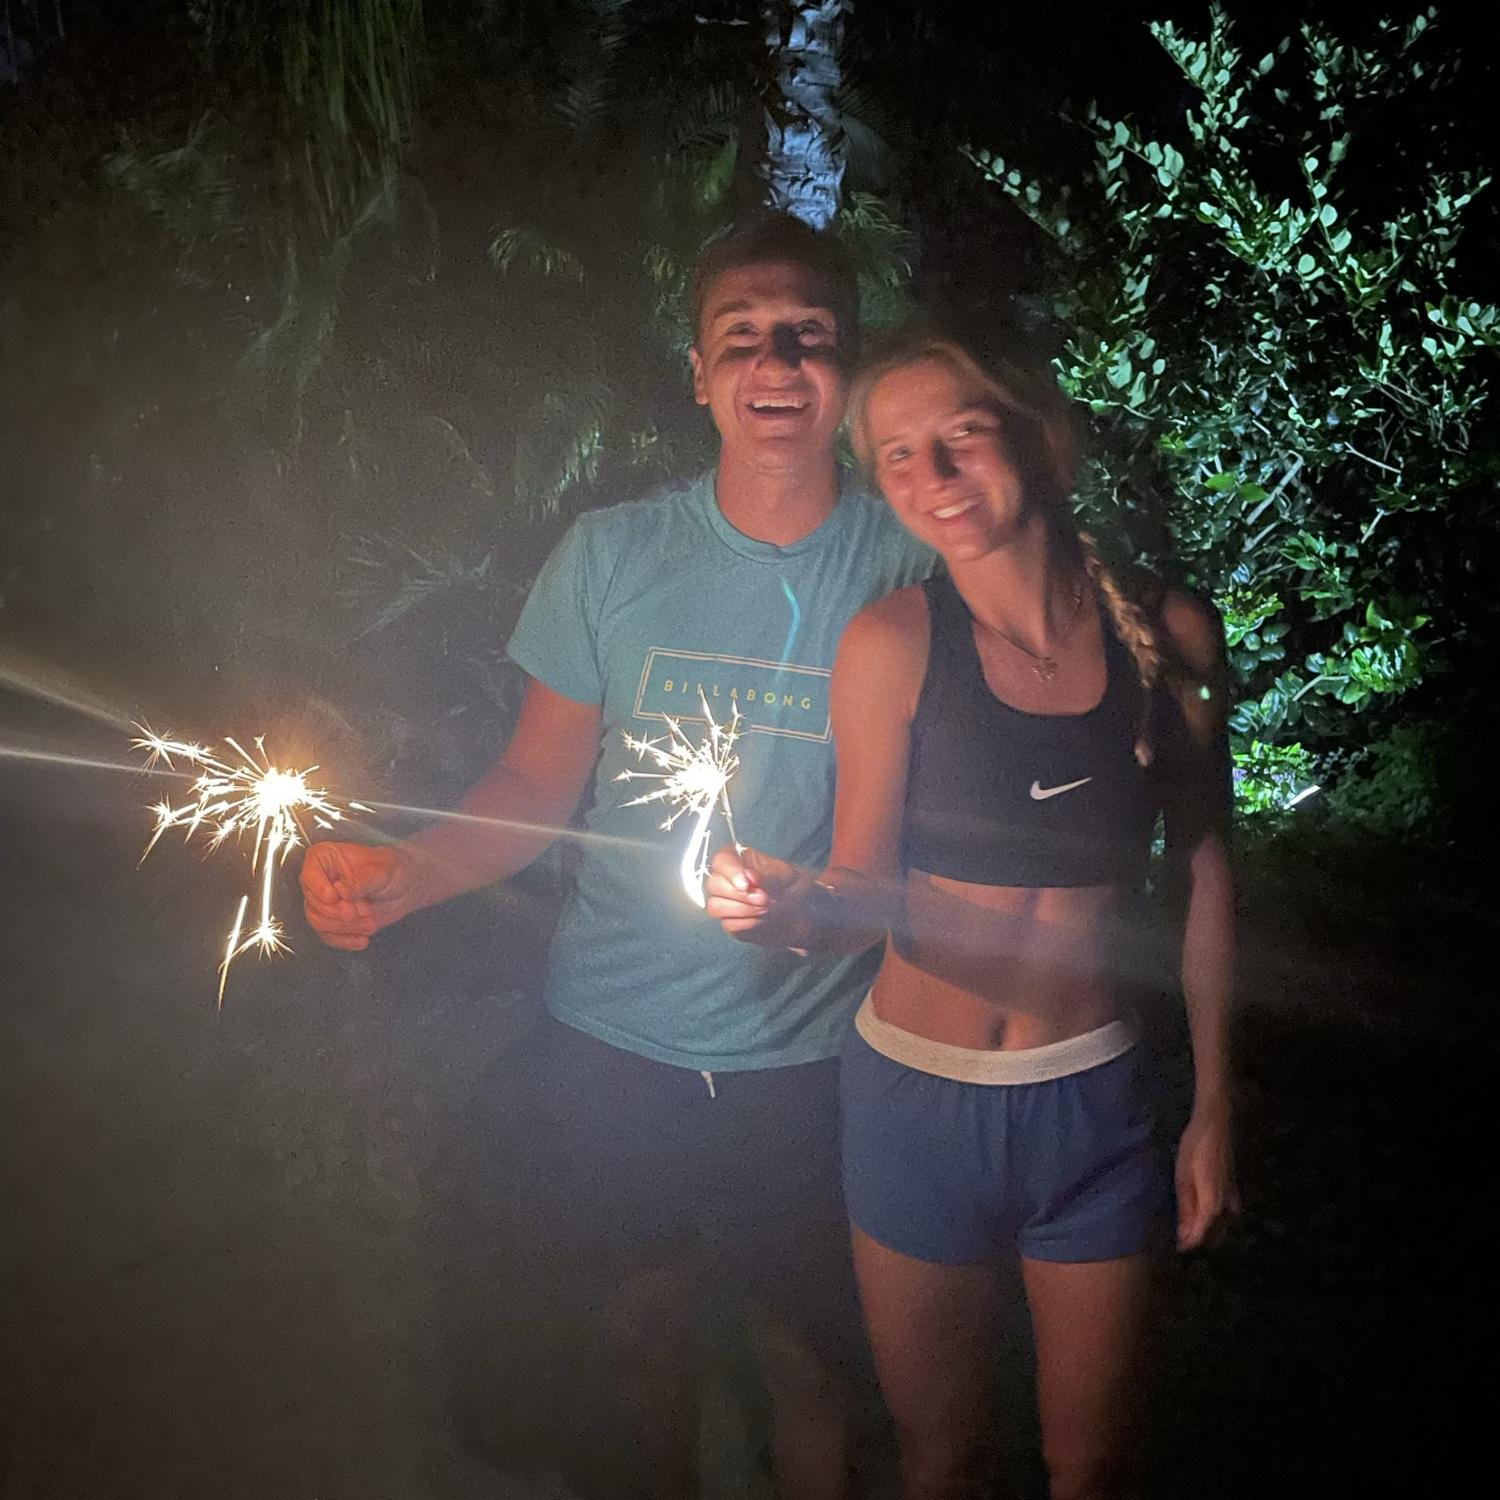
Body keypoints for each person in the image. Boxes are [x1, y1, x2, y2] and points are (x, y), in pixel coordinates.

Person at [298, 215, 933, 1500]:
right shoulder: (612, 555)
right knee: (640, 1324)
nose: (775, 362)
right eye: (740, 336)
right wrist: (410, 873)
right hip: (614, 1039)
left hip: (820, 1055)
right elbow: (537, 780)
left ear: (851, 367)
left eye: (808, 335)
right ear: (696, 373)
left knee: (810, 1359)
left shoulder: (913, 560)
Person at [703, 326, 1237, 1500]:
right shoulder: (894, 642)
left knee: (1091, 1465)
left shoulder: (1171, 635)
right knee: (941, 1456)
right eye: (897, 455)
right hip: (916, 1105)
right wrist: (791, 911)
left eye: (962, 436)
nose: (931, 476)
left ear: (1040, 438)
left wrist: (1214, 1107)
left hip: (1093, 1107)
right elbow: (861, 888)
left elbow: (1205, 873)